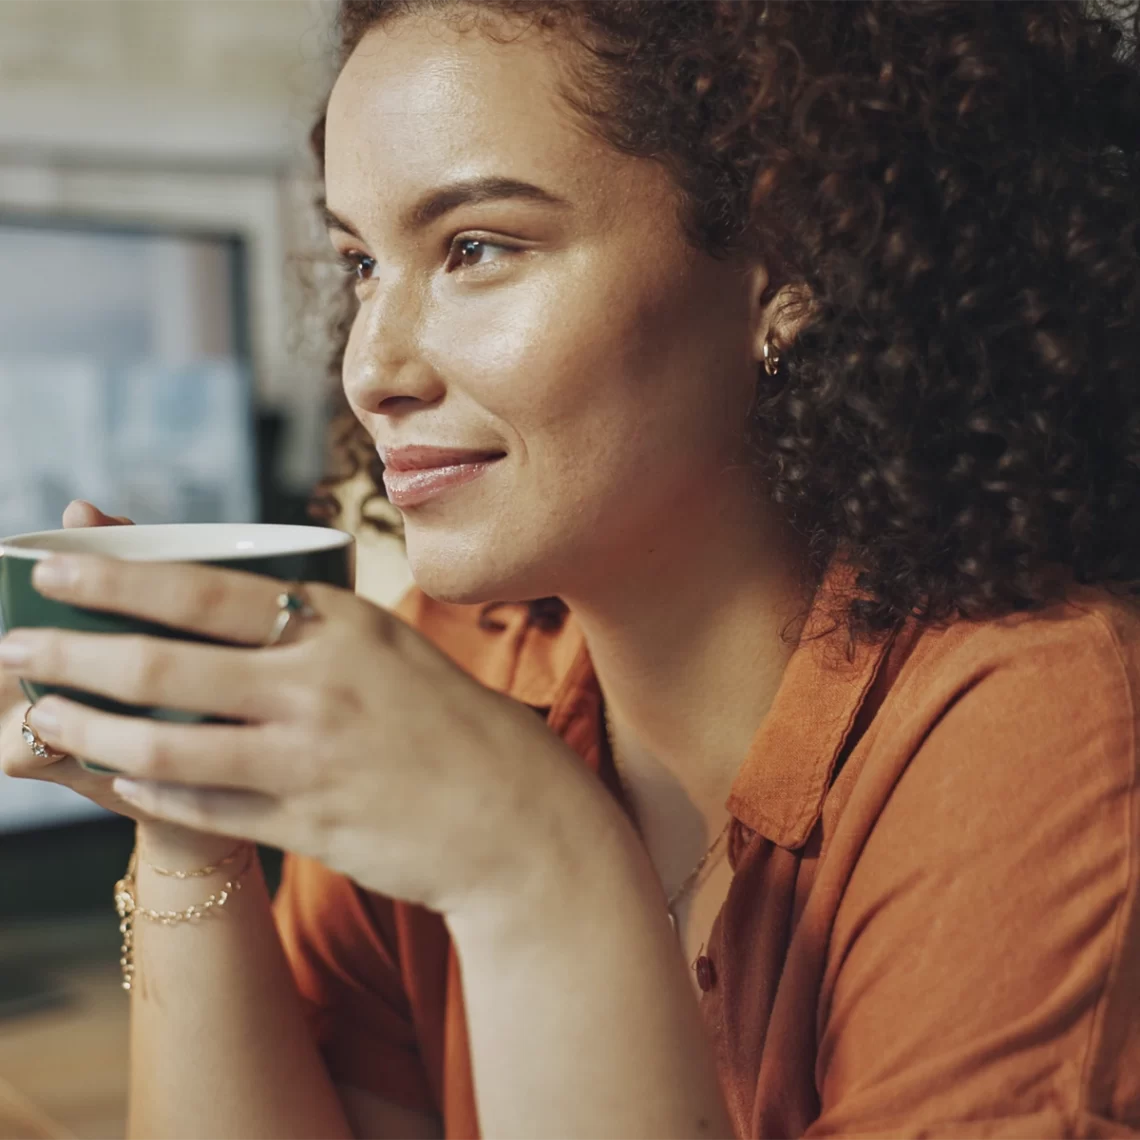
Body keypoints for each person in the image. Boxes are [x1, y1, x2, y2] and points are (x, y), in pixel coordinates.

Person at [3, 0, 1140, 1137]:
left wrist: (539, 873)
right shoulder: (466, 676)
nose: (370, 370)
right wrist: (185, 814)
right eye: (359, 262)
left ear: (785, 267)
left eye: (476, 248)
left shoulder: (1041, 719)